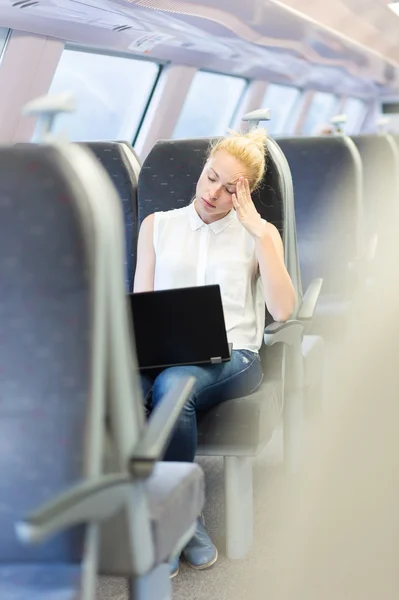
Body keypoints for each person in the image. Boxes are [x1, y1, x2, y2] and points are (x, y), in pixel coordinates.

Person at [133, 128, 296, 577]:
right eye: (211, 178)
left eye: (230, 189)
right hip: (165, 353)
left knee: (174, 385)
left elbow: (283, 309)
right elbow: (141, 305)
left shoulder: (259, 235)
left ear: (244, 194)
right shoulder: (157, 226)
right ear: (202, 170)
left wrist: (258, 233)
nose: (213, 193)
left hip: (233, 358)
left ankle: (177, 522)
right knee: (128, 387)